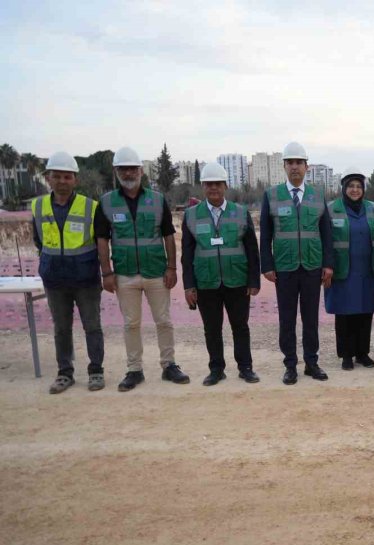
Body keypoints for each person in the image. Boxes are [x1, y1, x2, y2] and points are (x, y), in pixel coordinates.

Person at [98, 147, 190, 392]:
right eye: (123, 169)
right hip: (125, 274)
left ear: (140, 170)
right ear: (117, 172)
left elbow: (169, 235)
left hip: (156, 272)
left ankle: (169, 365)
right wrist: (106, 272)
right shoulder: (107, 202)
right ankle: (134, 369)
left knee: (164, 321)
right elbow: (101, 239)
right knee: (131, 324)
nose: (128, 173)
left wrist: (172, 267)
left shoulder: (157, 200)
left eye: (132, 168)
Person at [31, 151, 107, 394]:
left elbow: (100, 241)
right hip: (55, 279)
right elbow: (38, 240)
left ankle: (96, 371)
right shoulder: (38, 205)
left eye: (67, 177)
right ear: (48, 178)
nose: (62, 181)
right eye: (57, 176)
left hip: (85, 279)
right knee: (61, 328)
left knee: (92, 326)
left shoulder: (91, 207)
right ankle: (65, 373)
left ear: (75, 179)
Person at [259, 142, 334, 384]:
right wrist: (267, 265)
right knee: (287, 319)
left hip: (312, 267)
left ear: (306, 167)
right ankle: (290, 364)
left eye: (298, 163)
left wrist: (328, 264)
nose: (294, 167)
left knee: (311, 318)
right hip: (285, 268)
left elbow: (327, 233)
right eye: (290, 162)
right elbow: (266, 234)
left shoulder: (318, 195)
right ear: (284, 166)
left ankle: (312, 363)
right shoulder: (271, 196)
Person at [181, 162, 261, 386]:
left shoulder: (240, 212)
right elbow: (186, 255)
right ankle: (216, 369)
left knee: (240, 326)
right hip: (206, 282)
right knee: (212, 328)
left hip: (237, 280)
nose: (213, 188)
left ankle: (245, 368)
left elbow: (252, 250)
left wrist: (254, 280)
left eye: (217, 184)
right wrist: (189, 286)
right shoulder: (191, 215)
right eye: (208, 184)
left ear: (225, 185)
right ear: (203, 187)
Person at [324, 167, 374, 370]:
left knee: (365, 313)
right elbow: (325, 240)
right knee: (345, 314)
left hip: (367, 270)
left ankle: (362, 353)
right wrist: (327, 266)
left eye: (359, 186)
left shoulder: (373, 208)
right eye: (351, 186)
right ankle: (346, 355)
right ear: (344, 188)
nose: (355, 190)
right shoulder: (332, 209)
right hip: (342, 271)